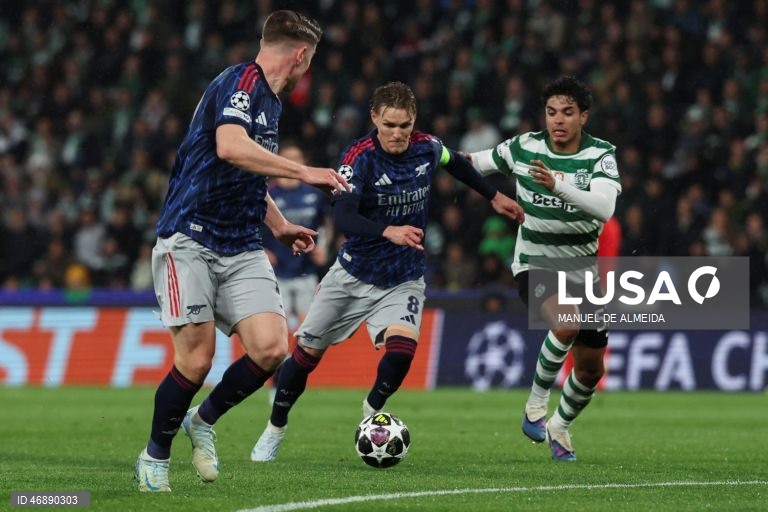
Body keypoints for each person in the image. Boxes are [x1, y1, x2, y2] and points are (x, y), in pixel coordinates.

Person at [250, 81, 525, 462]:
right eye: (390, 125)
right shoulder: (358, 158)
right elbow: (343, 215)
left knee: (402, 350)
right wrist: (388, 231)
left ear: (414, 122)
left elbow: (456, 163)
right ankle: (275, 427)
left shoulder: (427, 147)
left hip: (403, 277)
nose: (398, 134)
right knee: (305, 357)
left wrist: (493, 195)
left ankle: (372, 406)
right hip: (352, 275)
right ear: (375, 118)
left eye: (405, 125)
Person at [134, 10, 349, 493]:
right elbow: (230, 147)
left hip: (241, 242)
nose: (307, 70)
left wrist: (278, 225)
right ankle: (154, 459)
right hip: (189, 238)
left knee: (272, 348)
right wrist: (305, 171)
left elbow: (243, 173)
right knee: (196, 360)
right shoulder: (241, 83)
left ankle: (203, 420)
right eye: (309, 60)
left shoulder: (269, 102)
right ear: (300, 55)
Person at [469, 76, 621, 461]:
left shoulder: (600, 156)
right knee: (565, 321)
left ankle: (560, 426)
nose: (558, 120)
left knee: (590, 371)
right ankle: (535, 407)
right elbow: (475, 163)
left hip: (583, 275)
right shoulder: (523, 147)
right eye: (552, 112)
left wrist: (557, 186)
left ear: (583, 117)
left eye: (568, 113)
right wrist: (433, 156)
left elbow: (604, 208)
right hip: (534, 262)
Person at [264, 142, 333, 330]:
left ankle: (298, 360)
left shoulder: (314, 193)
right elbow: (251, 226)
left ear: (303, 162)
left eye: (295, 159)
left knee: (307, 327)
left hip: (306, 269)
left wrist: (324, 247)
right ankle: (282, 360)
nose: (291, 162)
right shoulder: (267, 194)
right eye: (286, 159)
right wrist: (262, 251)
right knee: (278, 327)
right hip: (276, 271)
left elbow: (325, 223)